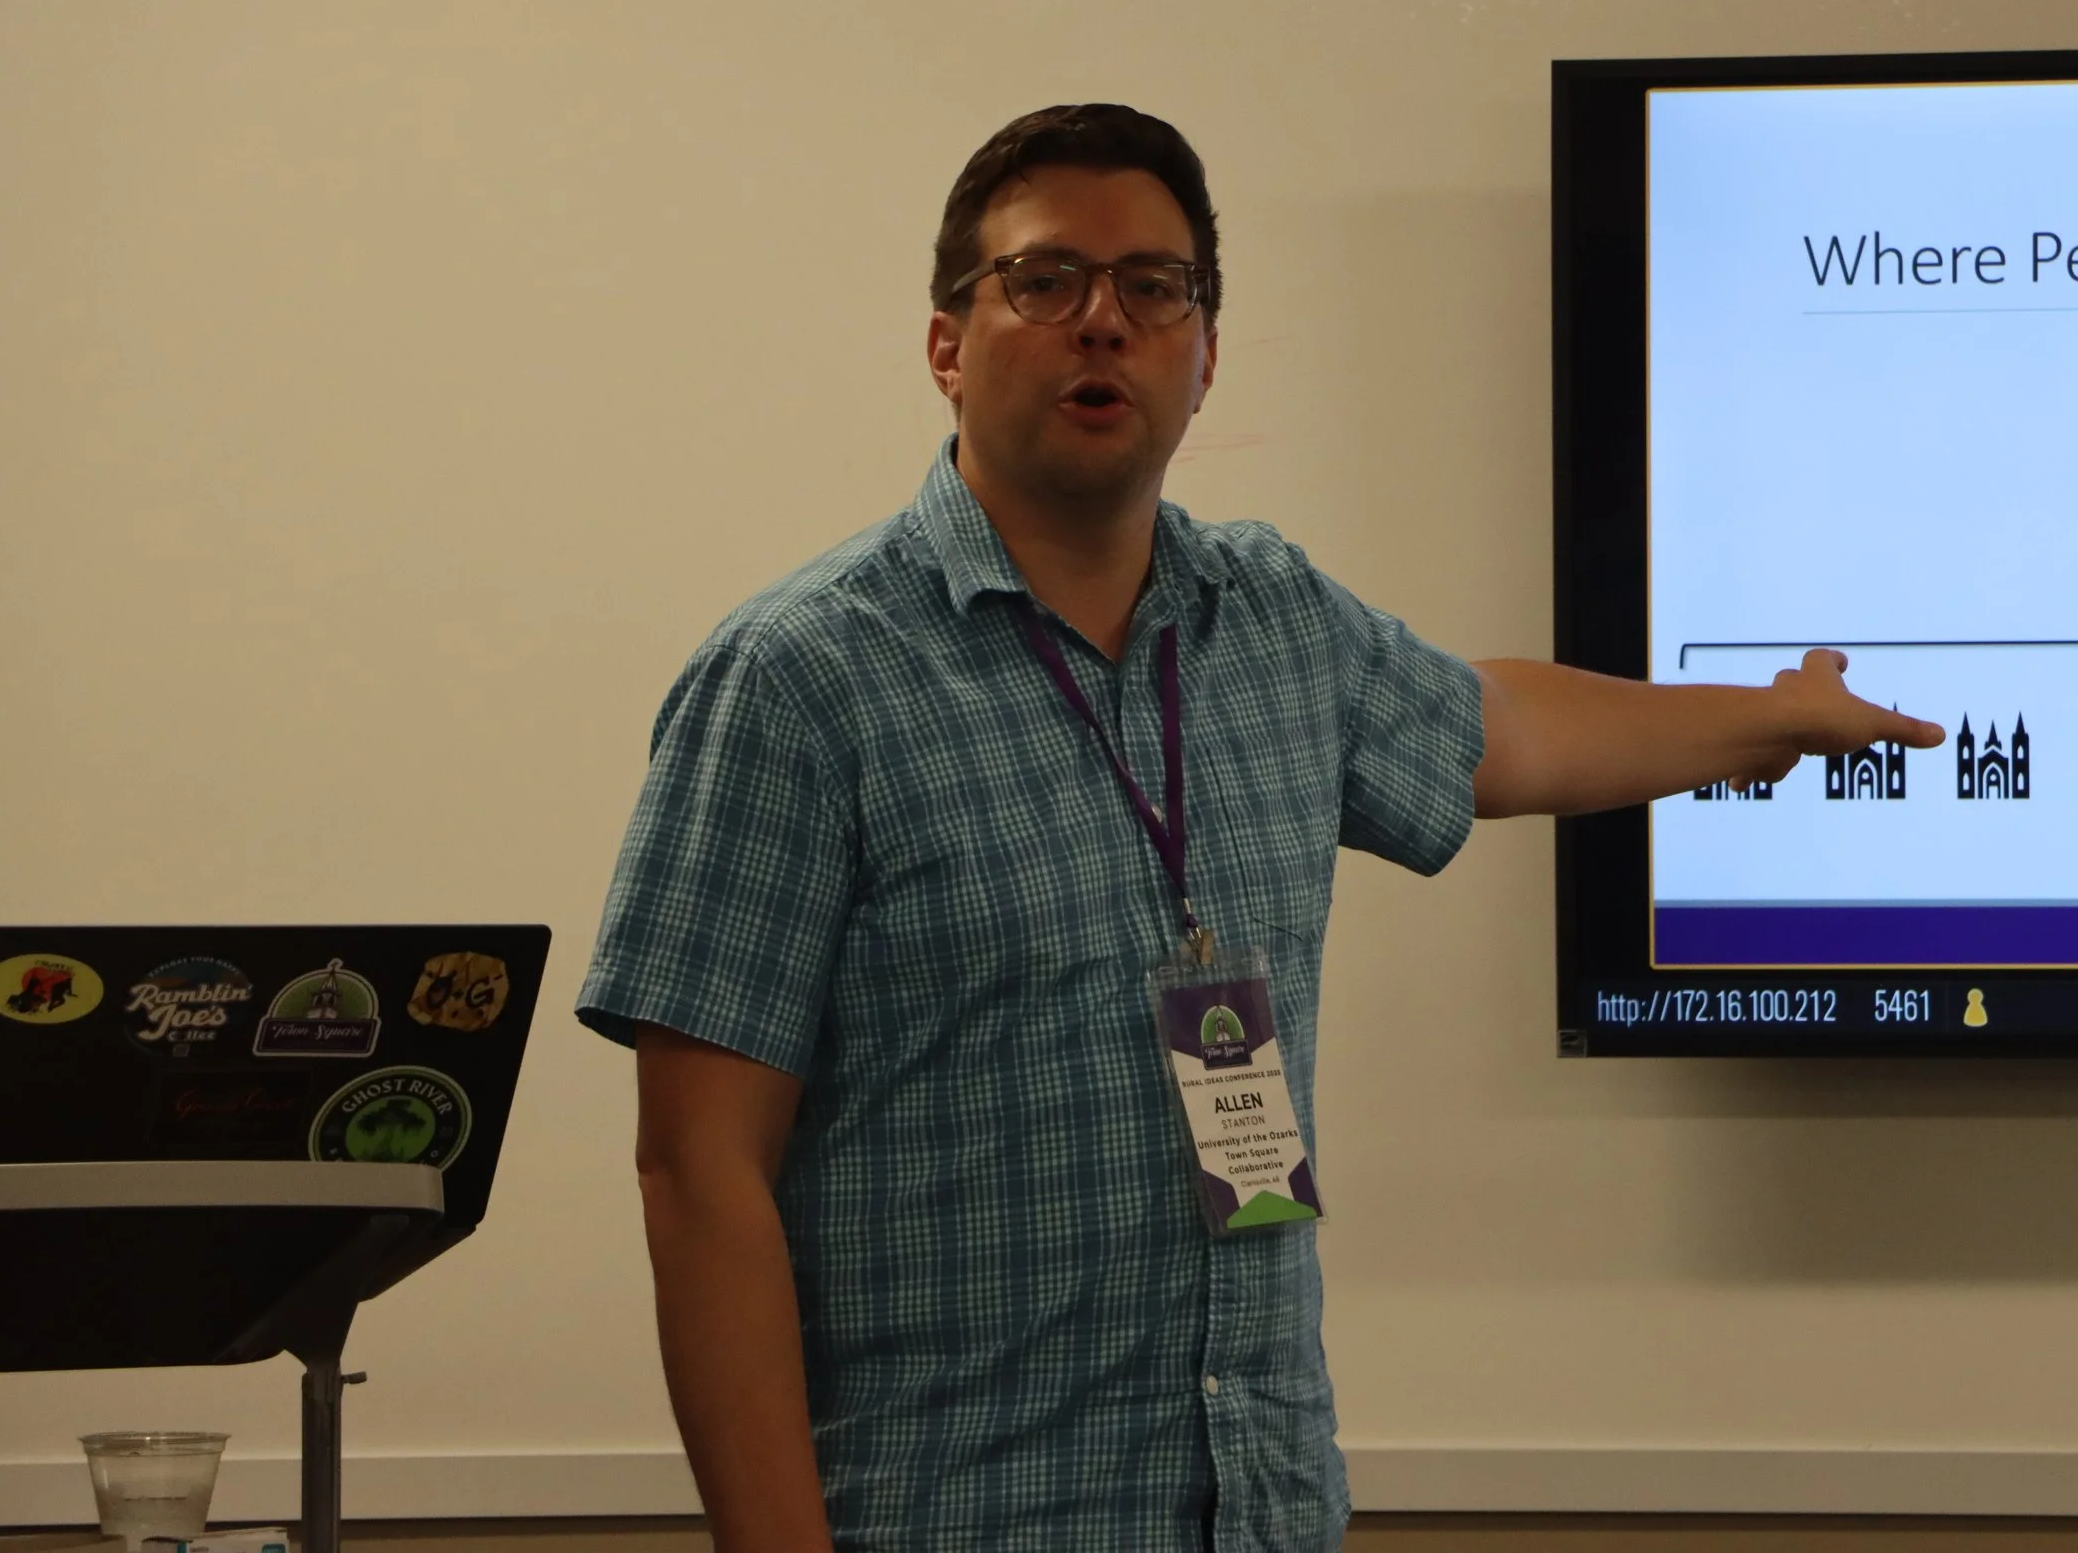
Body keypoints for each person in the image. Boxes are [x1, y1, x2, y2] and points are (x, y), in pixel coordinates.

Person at [575, 103, 1943, 1553]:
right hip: (952, 1512)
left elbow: (1505, 730)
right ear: (947, 344)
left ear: (1205, 353)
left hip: (1259, 1509)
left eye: (1154, 287)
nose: (1104, 320)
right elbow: (696, 1168)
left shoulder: (1272, 618)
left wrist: (1776, 717)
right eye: (1046, 281)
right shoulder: (799, 681)